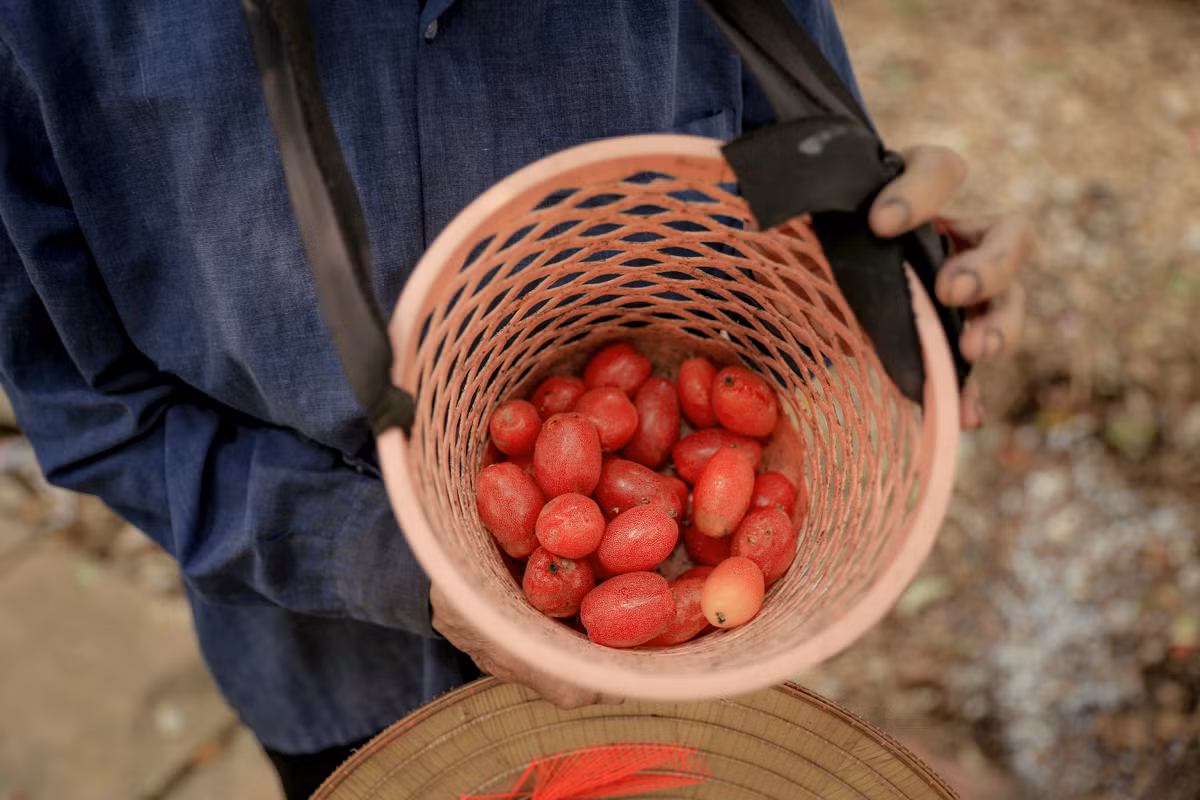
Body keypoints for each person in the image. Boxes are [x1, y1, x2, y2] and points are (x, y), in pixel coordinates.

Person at [0, 2, 1033, 797]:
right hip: (327, 678)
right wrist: (390, 556)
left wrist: (899, 286)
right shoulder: (48, 25)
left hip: (679, 677)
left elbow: (798, 231)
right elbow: (92, 409)